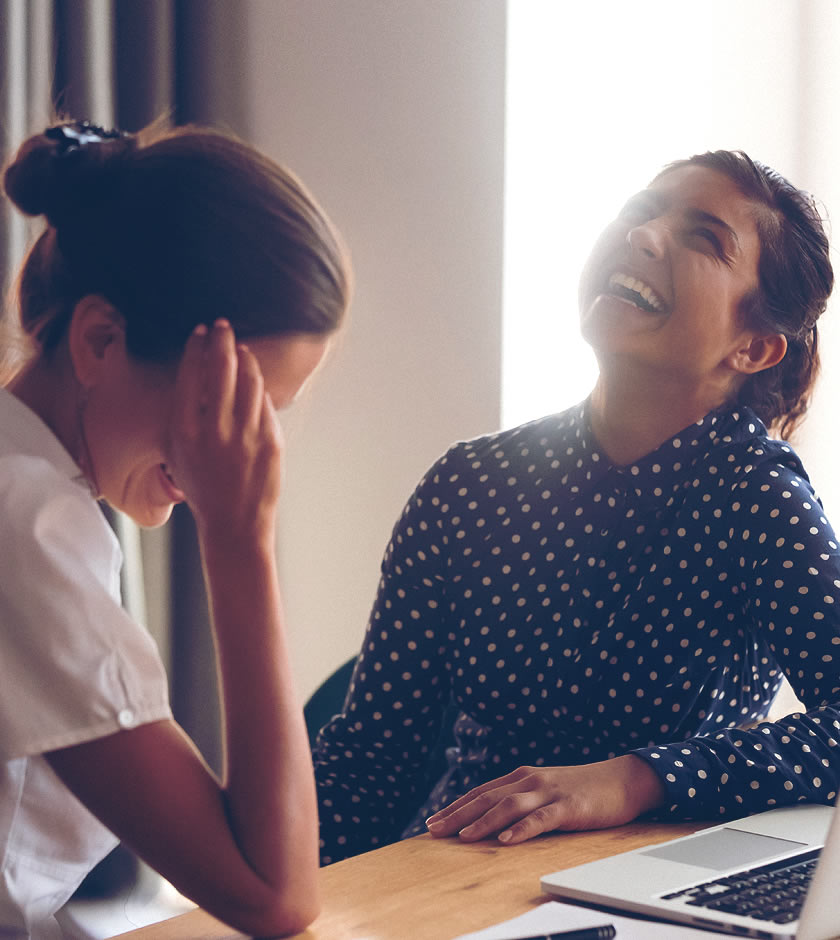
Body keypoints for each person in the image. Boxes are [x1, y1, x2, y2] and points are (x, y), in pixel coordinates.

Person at [314, 150, 840, 865]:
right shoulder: (470, 485)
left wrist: (636, 779)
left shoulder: (755, 496)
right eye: (639, 211)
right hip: (447, 879)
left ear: (754, 346)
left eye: (702, 237)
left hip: (649, 892)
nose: (643, 235)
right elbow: (369, 769)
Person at [0, 119, 350, 937]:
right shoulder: (27, 529)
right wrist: (240, 541)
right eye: (224, 407)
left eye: (266, 420)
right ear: (99, 341)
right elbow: (275, 896)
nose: (237, 452)